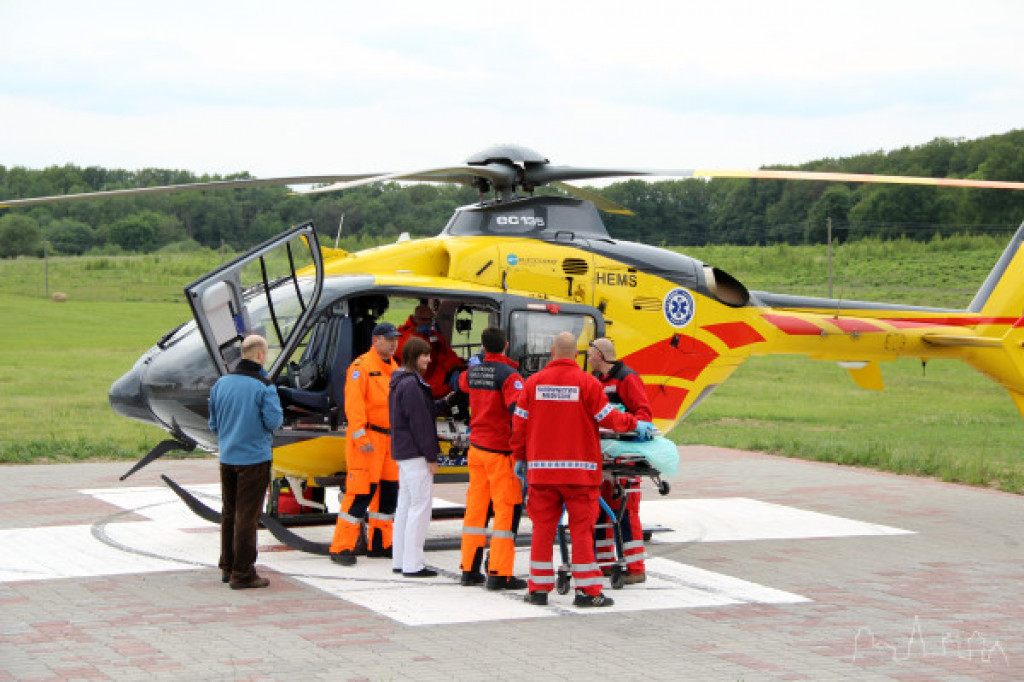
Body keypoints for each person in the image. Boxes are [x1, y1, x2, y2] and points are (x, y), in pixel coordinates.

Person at [511, 332, 643, 608]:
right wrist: (634, 423)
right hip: (580, 475)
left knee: (542, 530)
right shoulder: (587, 383)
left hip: (542, 474)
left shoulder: (533, 384)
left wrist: (520, 458)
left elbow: (519, 425)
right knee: (582, 531)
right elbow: (608, 419)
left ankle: (538, 589)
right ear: (575, 355)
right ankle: (587, 592)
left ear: (552, 351)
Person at [208, 334, 283, 590]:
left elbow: (213, 424)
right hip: (254, 459)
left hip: (227, 457)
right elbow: (274, 421)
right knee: (247, 517)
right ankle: (243, 573)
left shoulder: (221, 384)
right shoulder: (264, 386)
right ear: (260, 355)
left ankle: (227, 566)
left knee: (229, 513)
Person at [456, 327, 528, 591]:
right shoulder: (510, 375)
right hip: (500, 452)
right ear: (506, 345)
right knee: (506, 512)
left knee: (476, 510)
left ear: (484, 347)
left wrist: (475, 365)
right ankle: (499, 573)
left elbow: (460, 383)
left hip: (477, 449)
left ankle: (469, 569)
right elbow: (518, 412)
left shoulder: (473, 372)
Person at [329, 322, 401, 566]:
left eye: (395, 339)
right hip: (368, 440)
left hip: (389, 440)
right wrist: (361, 439)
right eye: (389, 339)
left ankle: (381, 543)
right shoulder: (361, 368)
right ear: (375, 340)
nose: (393, 344)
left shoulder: (394, 367)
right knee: (360, 493)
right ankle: (342, 547)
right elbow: (354, 406)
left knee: (388, 494)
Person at [587, 337, 656, 585]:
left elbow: (644, 415)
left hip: (624, 457)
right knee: (601, 511)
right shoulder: (597, 380)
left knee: (626, 511)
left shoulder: (627, 379)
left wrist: (623, 422)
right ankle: (604, 563)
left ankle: (635, 568)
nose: (587, 358)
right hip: (604, 456)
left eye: (589, 354)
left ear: (600, 355)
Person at [389, 336, 452, 577]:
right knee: (420, 507)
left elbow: (421, 412)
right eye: (425, 355)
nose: (429, 359)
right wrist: (431, 457)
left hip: (404, 452)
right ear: (415, 356)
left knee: (405, 506)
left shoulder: (400, 382)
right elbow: (421, 424)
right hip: (416, 454)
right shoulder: (412, 385)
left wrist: (444, 402)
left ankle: (400, 560)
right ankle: (413, 564)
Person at [396, 303, 465, 398]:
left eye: (430, 319)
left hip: (436, 379)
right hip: (416, 382)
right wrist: (419, 335)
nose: (428, 322)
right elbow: (411, 355)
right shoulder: (401, 335)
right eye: (424, 319)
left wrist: (457, 367)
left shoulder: (433, 335)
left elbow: (446, 352)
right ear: (415, 318)